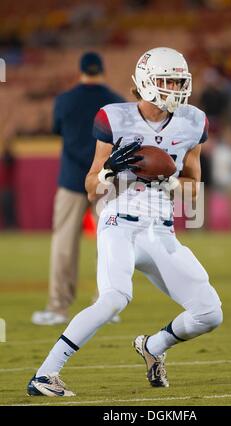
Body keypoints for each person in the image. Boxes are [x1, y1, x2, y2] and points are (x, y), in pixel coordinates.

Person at [27, 47, 223, 396]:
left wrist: (173, 181)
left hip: (161, 232)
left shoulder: (194, 121)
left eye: (179, 80)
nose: (175, 87)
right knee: (115, 297)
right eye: (167, 80)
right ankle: (45, 374)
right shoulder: (114, 118)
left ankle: (152, 347)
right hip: (120, 222)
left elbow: (194, 192)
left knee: (209, 313)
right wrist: (108, 171)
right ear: (146, 81)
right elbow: (90, 186)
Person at [32, 52, 125, 325]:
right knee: (110, 243)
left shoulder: (64, 100)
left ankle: (58, 307)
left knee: (64, 244)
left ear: (81, 70)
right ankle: (105, 305)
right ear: (103, 70)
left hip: (72, 179)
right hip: (107, 180)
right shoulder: (117, 102)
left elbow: (57, 130)